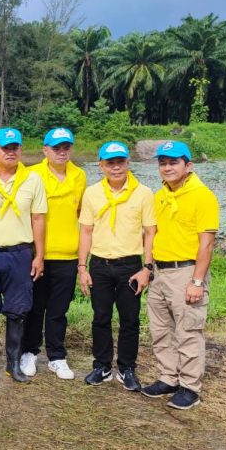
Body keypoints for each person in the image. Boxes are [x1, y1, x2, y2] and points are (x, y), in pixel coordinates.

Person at [142, 141, 219, 410]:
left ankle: (190, 386)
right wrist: (148, 267)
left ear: (188, 165)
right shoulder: (159, 195)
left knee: (188, 330)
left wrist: (197, 281)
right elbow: (151, 234)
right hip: (160, 271)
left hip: (186, 271)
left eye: (173, 162)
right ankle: (168, 377)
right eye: (162, 163)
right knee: (160, 329)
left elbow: (206, 243)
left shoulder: (202, 196)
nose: (167, 167)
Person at [77, 141, 156, 391]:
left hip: (130, 265)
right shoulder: (92, 193)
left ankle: (126, 368)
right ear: (101, 165)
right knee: (100, 317)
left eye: (120, 162)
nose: (116, 167)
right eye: (110, 163)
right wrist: (82, 267)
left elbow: (150, 232)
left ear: (128, 163)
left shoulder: (143, 193)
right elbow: (86, 231)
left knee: (129, 319)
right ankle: (102, 365)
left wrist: (147, 267)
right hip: (100, 264)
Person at [0, 128, 46, 383]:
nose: (10, 152)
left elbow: (38, 218)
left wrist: (39, 255)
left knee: (18, 310)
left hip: (20, 253)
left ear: (21, 150)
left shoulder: (33, 179)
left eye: (15, 147)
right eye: (5, 147)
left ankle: (13, 365)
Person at [23, 128, 86, 380]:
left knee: (58, 310)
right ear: (45, 150)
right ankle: (29, 351)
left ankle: (57, 356)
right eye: (56, 147)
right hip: (37, 253)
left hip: (67, 254)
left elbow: (80, 212)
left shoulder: (79, 175)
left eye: (66, 147)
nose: (62, 152)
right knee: (34, 307)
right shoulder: (32, 174)